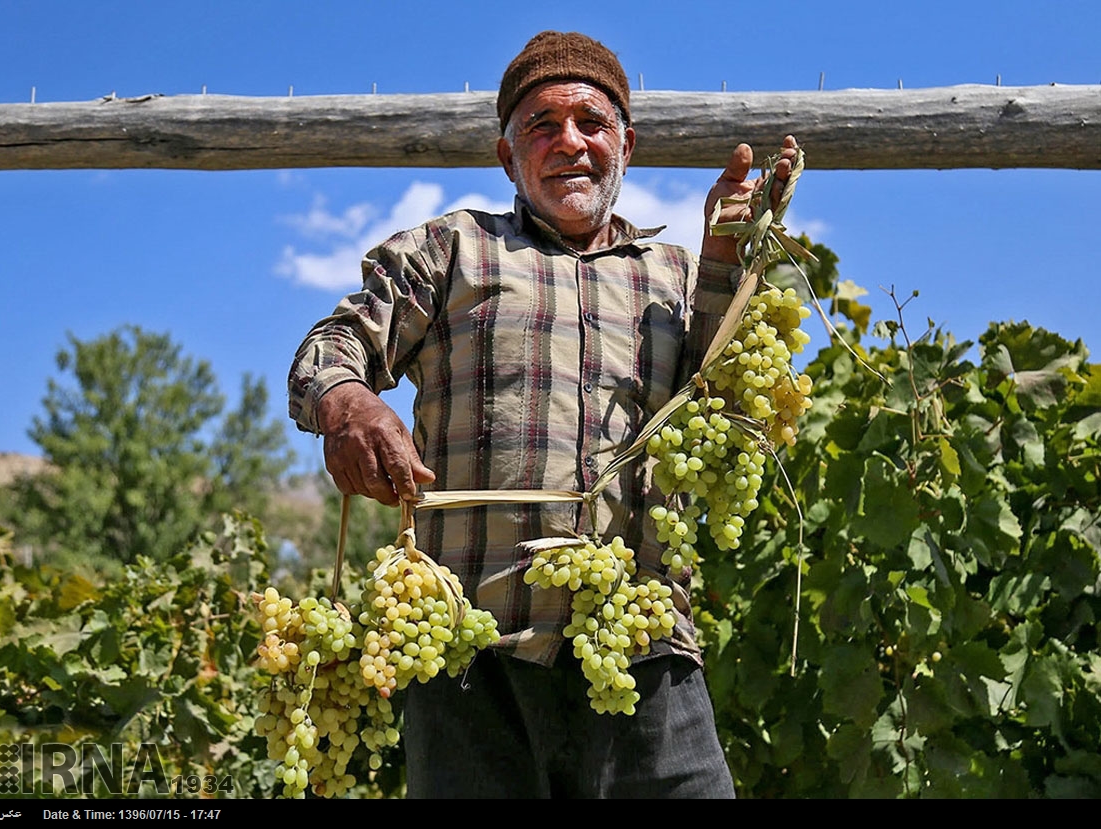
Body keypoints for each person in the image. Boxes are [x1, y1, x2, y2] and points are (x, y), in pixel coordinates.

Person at [288, 30, 798, 798]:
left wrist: (728, 257)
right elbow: (329, 346)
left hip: (641, 649)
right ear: (507, 156)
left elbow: (725, 426)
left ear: (626, 144)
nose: (571, 143)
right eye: (542, 126)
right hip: (468, 660)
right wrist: (345, 401)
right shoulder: (451, 250)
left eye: (592, 123)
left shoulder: (676, 276)